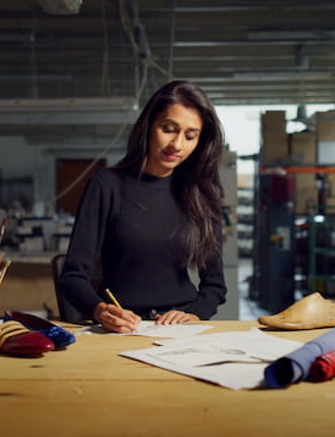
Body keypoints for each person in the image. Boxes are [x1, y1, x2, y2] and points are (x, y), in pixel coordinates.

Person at [59, 80, 227, 333]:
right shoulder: (106, 185)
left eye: (190, 136)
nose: (177, 145)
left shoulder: (202, 193)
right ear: (148, 127)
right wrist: (100, 309)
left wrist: (195, 313)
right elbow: (72, 277)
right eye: (169, 129)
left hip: (179, 330)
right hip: (121, 327)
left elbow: (214, 286)